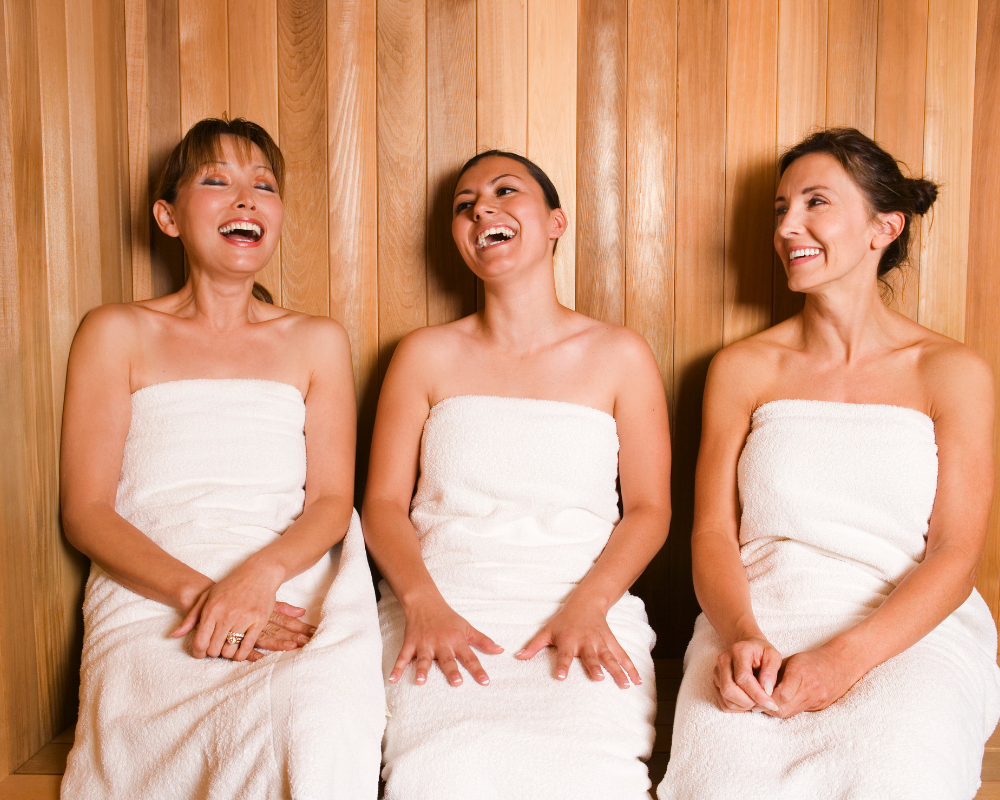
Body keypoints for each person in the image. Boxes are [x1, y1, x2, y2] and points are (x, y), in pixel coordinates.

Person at [658, 128, 1000, 800]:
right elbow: (711, 534)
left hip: (905, 628)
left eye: (816, 203)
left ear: (883, 227)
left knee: (895, 777)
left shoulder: (952, 372)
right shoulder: (743, 369)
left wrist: (845, 661)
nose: (789, 226)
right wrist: (739, 637)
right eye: (781, 209)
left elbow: (957, 554)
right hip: (757, 618)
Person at [60, 118, 384, 799]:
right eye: (217, 181)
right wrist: (205, 598)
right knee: (152, 720)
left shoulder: (315, 340)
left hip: (287, 579)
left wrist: (256, 581)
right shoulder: (116, 332)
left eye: (262, 186)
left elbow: (331, 501)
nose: (245, 199)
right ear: (168, 215)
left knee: (314, 717)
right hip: (153, 589)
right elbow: (86, 512)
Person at [362, 151, 672, 799]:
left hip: (582, 596)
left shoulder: (618, 354)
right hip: (443, 598)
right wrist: (423, 606)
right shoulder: (426, 355)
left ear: (555, 222)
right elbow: (384, 504)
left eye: (507, 191)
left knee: (592, 773)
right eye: (465, 204)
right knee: (443, 773)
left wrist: (591, 605)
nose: (483, 209)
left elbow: (649, 509)